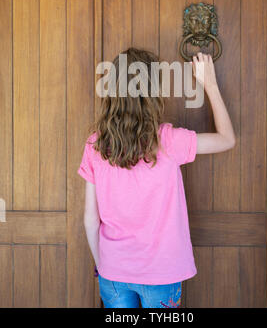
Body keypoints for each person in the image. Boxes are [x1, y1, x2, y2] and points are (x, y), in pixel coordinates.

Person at [77, 47, 236, 308]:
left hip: (113, 272)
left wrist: (103, 264)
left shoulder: (95, 145)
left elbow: (90, 220)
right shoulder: (168, 141)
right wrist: (210, 84)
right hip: (161, 275)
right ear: (152, 93)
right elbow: (227, 139)